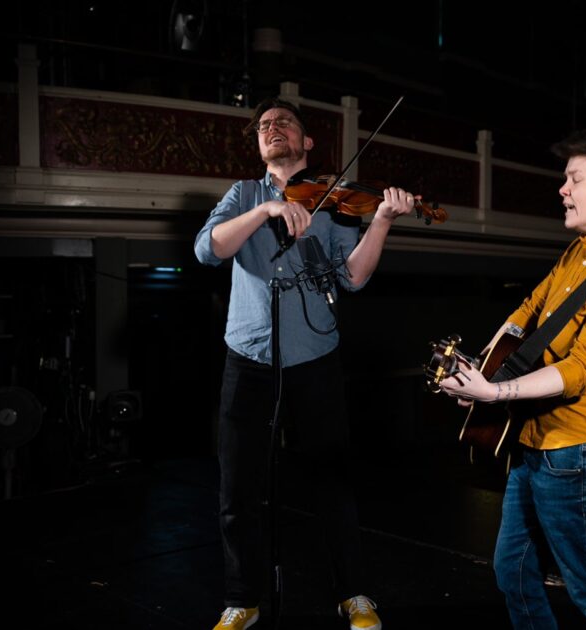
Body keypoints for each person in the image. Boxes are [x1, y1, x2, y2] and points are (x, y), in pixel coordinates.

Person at [195, 97, 414, 630]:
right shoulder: (243, 194)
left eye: (284, 123)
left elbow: (354, 277)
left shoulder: (335, 200)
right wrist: (267, 210)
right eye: (265, 126)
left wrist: (382, 220)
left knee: (332, 480)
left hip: (315, 357)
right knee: (237, 487)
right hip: (247, 357)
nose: (273, 129)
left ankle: (353, 594)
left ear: (307, 142)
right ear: (259, 145)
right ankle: (242, 598)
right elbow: (208, 249)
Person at [438, 126, 586, 629]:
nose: (562, 189)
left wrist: (495, 391)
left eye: (573, 178)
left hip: (585, 450)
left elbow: (581, 369)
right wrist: (482, 373)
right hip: (534, 442)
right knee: (512, 573)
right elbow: (527, 312)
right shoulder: (578, 252)